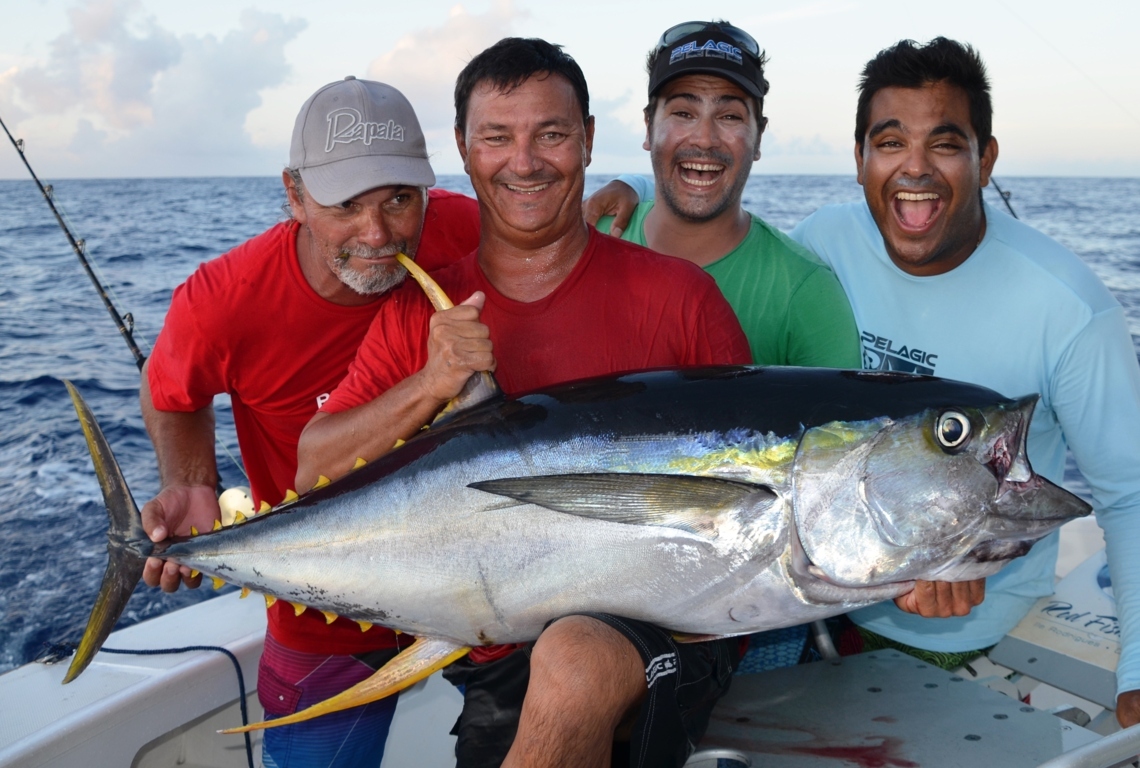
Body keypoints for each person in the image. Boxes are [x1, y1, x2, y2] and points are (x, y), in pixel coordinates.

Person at [296, 38, 751, 768]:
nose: (526, 161)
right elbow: (310, 465)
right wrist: (428, 385)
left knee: (574, 656)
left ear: (589, 140)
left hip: (666, 632)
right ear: (463, 150)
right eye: (497, 137)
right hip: (496, 648)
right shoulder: (421, 312)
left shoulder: (683, 300)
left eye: (552, 133)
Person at [786, 37, 1140, 727]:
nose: (914, 169)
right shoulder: (821, 243)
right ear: (859, 159)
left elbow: (1129, 496)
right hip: (807, 616)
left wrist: (1138, 673)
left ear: (987, 159)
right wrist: (639, 192)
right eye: (890, 143)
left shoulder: (1068, 305)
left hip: (975, 641)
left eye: (945, 144)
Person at [140, 77, 480, 767]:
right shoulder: (224, 300)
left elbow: (563, 228)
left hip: (478, 582)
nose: (378, 233)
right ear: (294, 196)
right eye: (344, 205)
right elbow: (170, 391)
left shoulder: (468, 230)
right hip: (323, 606)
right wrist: (191, 480)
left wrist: (633, 198)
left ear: (428, 189)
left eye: (398, 199)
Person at [590, 20, 860, 368]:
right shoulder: (586, 238)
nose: (704, 138)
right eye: (683, 113)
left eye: (729, 116)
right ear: (648, 127)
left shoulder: (808, 294)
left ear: (758, 138)